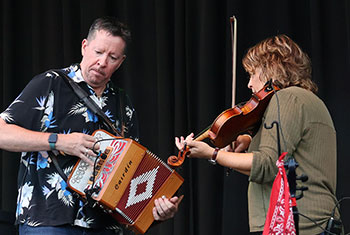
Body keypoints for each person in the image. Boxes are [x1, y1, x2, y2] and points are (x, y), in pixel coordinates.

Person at [0, 16, 181, 234]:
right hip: (49, 220)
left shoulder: (123, 105)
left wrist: (156, 212)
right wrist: (59, 141)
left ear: (121, 62)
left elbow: (129, 174)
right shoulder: (50, 83)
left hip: (105, 226)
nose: (103, 62)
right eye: (98, 52)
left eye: (112, 57)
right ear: (84, 46)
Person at [176, 35, 339, 234]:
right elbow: (278, 169)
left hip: (297, 226)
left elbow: (267, 165)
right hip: (317, 224)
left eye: (252, 74)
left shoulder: (285, 98)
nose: (250, 84)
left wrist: (212, 154)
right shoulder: (311, 101)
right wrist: (242, 148)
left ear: (271, 67)